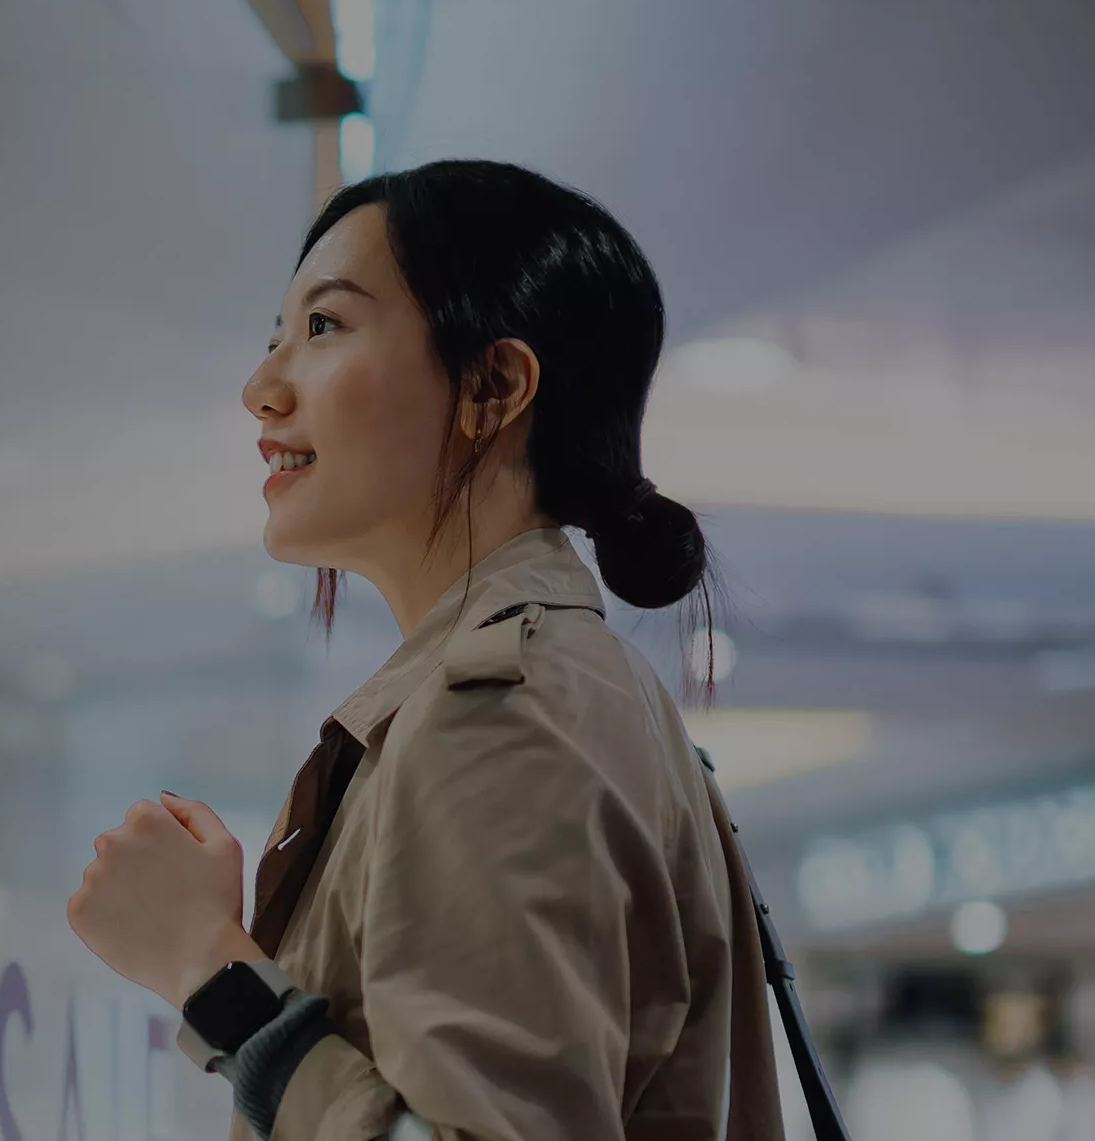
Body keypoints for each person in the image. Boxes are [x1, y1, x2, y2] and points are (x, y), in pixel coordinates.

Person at [65, 160, 786, 1140]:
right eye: (274, 336)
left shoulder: (502, 710)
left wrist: (204, 965)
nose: (261, 388)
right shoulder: (566, 688)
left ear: (491, 386)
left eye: (323, 327)